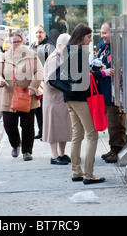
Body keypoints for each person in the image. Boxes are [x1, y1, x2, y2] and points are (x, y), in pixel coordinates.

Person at [63, 23, 105, 184]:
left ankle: (76, 172)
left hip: (69, 97)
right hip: (80, 97)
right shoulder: (79, 51)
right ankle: (88, 174)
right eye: (88, 37)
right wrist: (102, 73)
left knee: (77, 136)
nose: (90, 40)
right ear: (81, 37)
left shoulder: (68, 50)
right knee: (92, 134)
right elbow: (82, 77)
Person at [0, 32, 43, 161]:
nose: (15, 44)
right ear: (9, 43)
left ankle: (27, 151)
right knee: (9, 124)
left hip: (28, 95)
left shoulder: (31, 55)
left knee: (27, 125)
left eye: (18, 41)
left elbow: (40, 71)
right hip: (9, 96)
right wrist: (0, 80)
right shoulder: (4, 57)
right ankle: (15, 145)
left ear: (22, 42)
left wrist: (33, 86)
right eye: (13, 42)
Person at [95, 21, 127, 163]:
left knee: (116, 122)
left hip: (116, 93)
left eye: (104, 33)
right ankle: (113, 148)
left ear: (112, 33)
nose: (102, 36)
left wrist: (104, 68)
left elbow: (116, 67)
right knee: (112, 122)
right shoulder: (106, 47)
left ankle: (118, 150)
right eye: (101, 33)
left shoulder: (119, 47)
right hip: (107, 92)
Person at [43, 33, 72, 165]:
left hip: (61, 99)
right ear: (59, 45)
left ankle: (61, 153)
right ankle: (54, 156)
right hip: (54, 100)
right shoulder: (53, 59)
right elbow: (50, 80)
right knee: (53, 128)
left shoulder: (63, 57)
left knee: (63, 128)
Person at [29, 25, 55, 140]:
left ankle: (47, 132)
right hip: (35, 83)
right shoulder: (32, 45)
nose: (38, 35)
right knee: (38, 108)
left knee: (46, 108)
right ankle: (41, 130)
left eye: (40, 32)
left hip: (45, 82)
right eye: (36, 33)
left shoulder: (49, 46)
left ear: (45, 33)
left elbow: (53, 64)